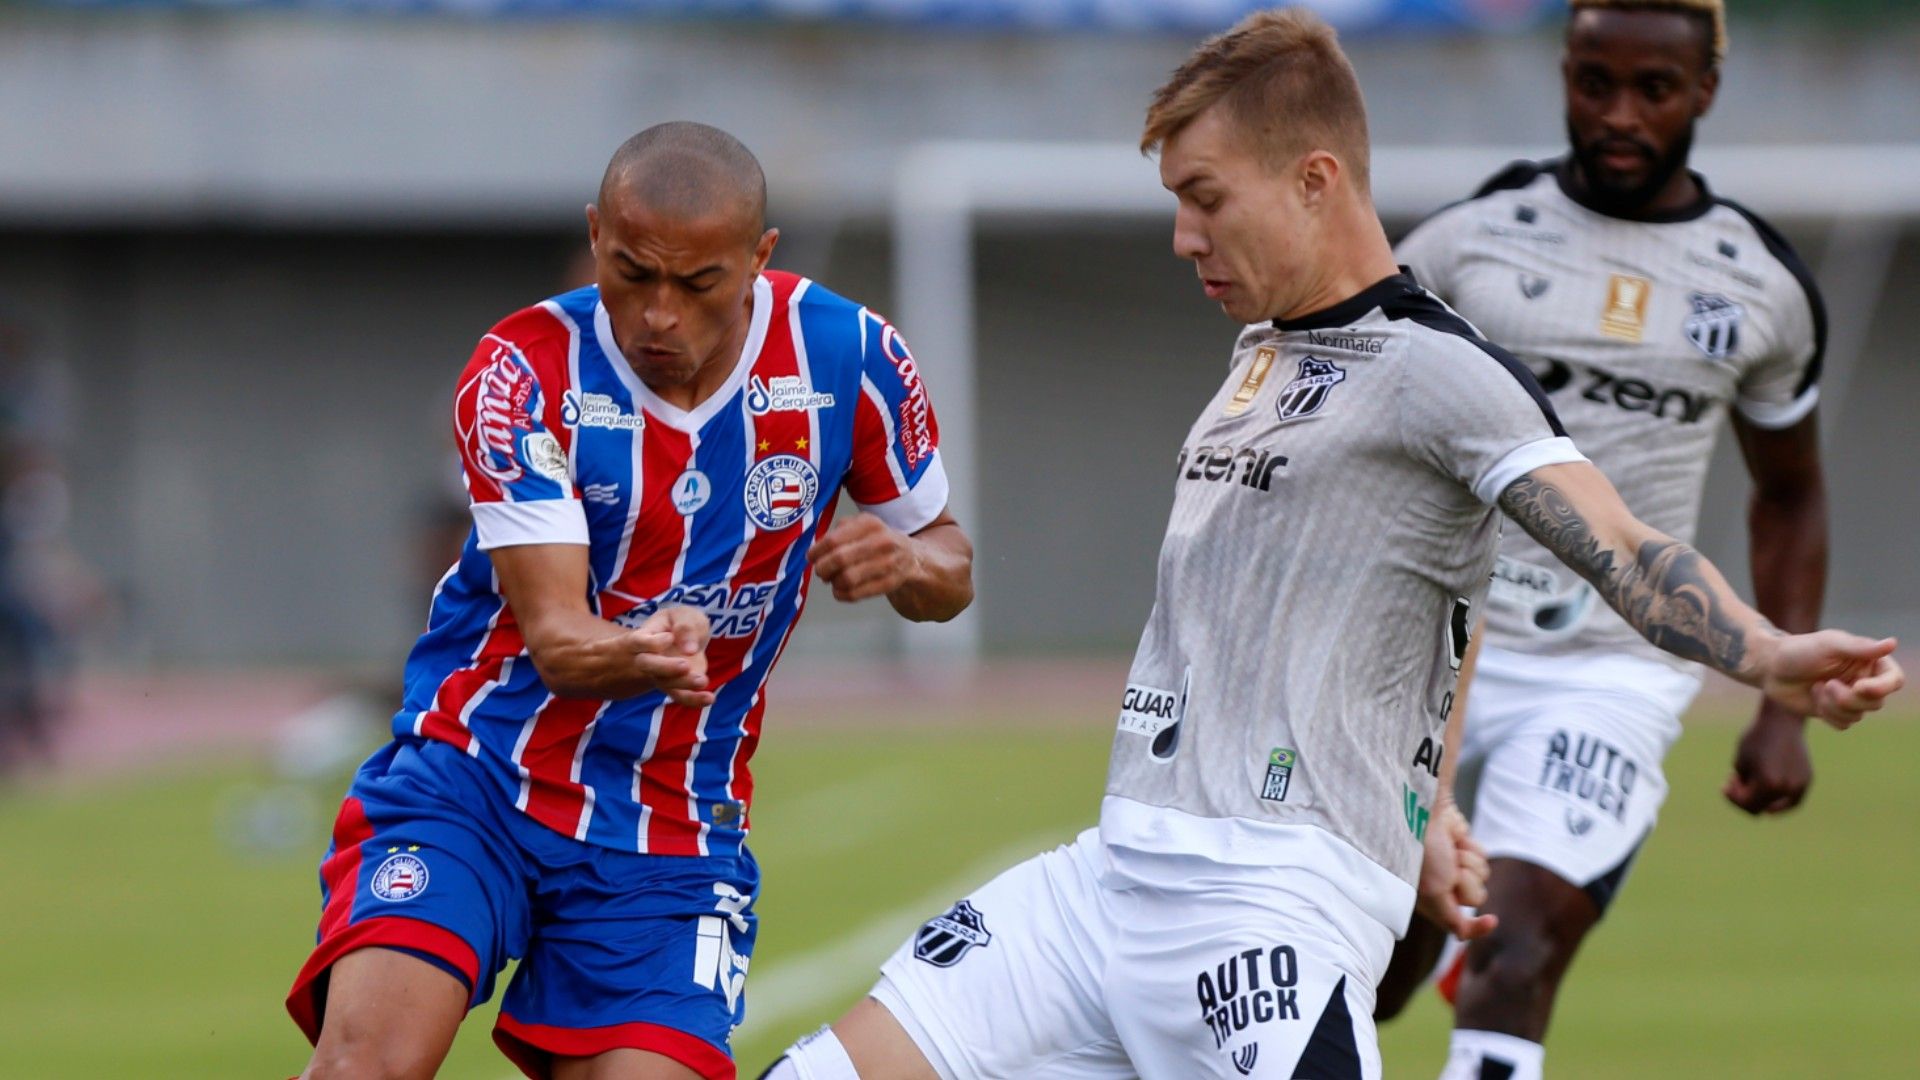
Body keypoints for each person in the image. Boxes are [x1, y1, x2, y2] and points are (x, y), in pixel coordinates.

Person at [757, 9, 1901, 1080]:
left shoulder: (1441, 371)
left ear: (1314, 181)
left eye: (1205, 198)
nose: (1182, 236)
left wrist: (1767, 655)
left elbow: (1619, 543)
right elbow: (1446, 612)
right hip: (1102, 888)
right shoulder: (1262, 352)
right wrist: (1433, 804)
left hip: (1264, 917)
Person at [287, 122, 974, 1080]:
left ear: (760, 257)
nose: (659, 315)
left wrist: (905, 560)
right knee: (369, 1063)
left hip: (675, 824)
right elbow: (558, 639)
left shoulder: (851, 356)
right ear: (595, 236)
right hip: (477, 780)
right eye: (632, 273)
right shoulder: (523, 369)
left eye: (698, 284)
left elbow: (952, 565)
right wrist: (649, 646)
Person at [1375, 3, 1839, 1076]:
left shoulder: (1761, 284)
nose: (1621, 114)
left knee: (1515, 949)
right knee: (1376, 966)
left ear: (1705, 89)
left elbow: (1791, 494)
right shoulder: (1463, 242)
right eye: (1596, 83)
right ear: (1565, 74)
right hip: (1429, 649)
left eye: (1654, 89)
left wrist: (1783, 711)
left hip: (1611, 670)